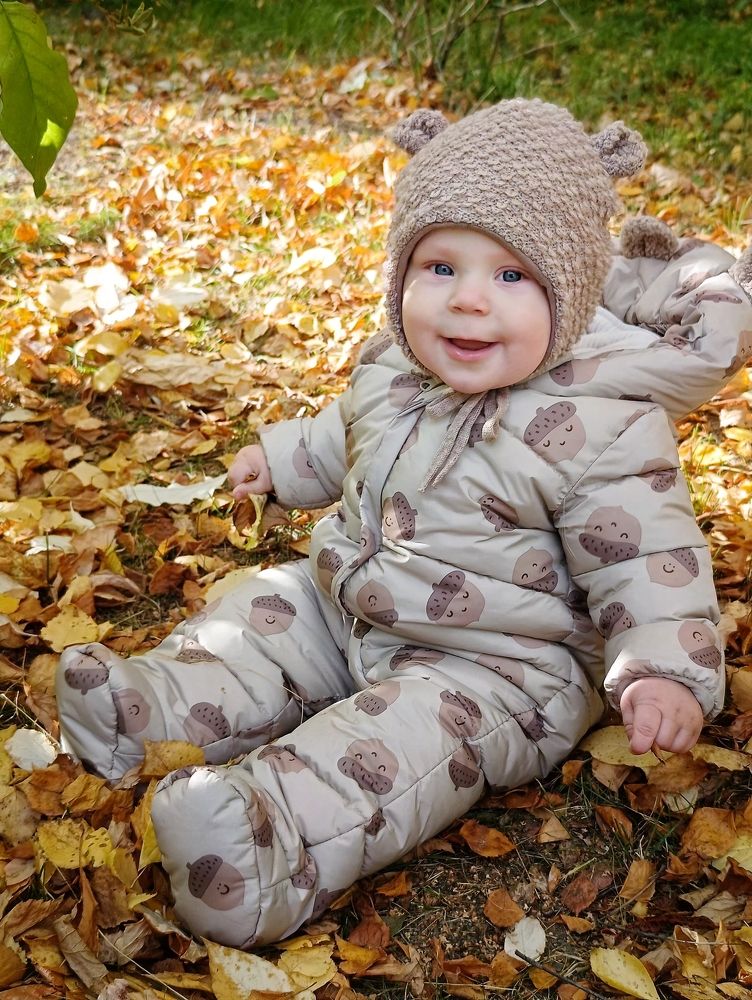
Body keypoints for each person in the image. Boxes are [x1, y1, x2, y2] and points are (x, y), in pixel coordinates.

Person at [56, 99, 752, 949]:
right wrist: (282, 460)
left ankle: (264, 849)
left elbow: (649, 559)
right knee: (262, 613)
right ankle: (152, 713)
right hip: (350, 604)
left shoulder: (604, 423)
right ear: (402, 275)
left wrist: (662, 672)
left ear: (568, 292)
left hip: (496, 669)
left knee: (394, 749)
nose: (468, 301)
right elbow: (346, 432)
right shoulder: (398, 363)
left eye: (511, 277)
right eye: (440, 267)